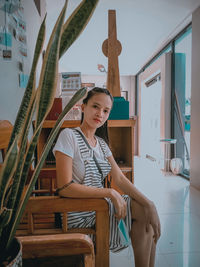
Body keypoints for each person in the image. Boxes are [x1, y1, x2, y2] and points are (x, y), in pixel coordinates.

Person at [53, 87, 161, 267]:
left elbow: (119, 179)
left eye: (105, 111)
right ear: (83, 106)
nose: (100, 114)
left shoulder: (102, 144)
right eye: (95, 106)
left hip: (99, 207)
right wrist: (110, 193)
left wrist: (150, 204)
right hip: (76, 212)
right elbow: (65, 187)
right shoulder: (69, 136)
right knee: (143, 213)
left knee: (145, 211)